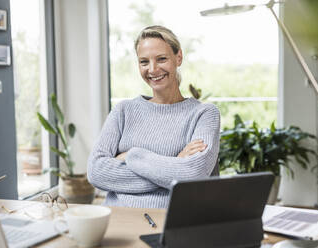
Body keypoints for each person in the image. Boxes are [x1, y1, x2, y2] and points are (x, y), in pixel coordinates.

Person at [87, 25, 220, 208]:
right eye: (144, 62)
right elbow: (96, 172)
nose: (153, 69)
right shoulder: (123, 111)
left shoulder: (204, 114)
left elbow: (193, 174)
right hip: (117, 221)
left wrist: (131, 156)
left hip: (173, 224)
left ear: (178, 57)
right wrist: (175, 164)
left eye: (162, 59)